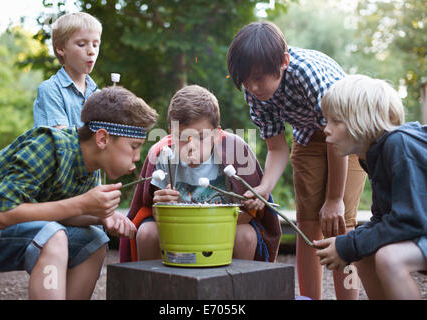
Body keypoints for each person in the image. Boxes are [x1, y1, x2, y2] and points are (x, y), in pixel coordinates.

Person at [227, 21, 366, 299]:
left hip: (349, 135)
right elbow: (277, 148)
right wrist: (264, 188)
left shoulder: (309, 74)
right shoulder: (253, 91)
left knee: (341, 224)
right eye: (245, 79)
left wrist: (334, 199)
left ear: (284, 62)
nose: (252, 87)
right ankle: (309, 298)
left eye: (259, 78)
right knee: (308, 225)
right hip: (307, 139)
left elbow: (337, 137)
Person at [0, 86, 158, 299]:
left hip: (1, 235)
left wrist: (101, 216)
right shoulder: (48, 145)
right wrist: (82, 203)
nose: (137, 157)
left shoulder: (89, 167)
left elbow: (52, 212)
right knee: (53, 236)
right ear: (102, 139)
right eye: (134, 146)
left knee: (94, 241)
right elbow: (6, 214)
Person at [119, 85, 282, 263]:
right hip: (176, 230)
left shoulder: (234, 154)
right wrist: (161, 206)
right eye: (182, 137)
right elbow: (151, 210)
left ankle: (233, 289)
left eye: (201, 137)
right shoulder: (164, 156)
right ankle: (156, 288)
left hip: (221, 231)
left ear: (217, 134)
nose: (191, 146)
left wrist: (253, 202)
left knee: (246, 236)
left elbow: (249, 212)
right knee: (146, 233)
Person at [314, 75, 427, 300]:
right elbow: (382, 218)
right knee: (365, 251)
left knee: (390, 258)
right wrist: (347, 243)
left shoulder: (398, 145)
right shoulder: (374, 156)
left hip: (418, 225)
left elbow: (410, 221)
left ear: (363, 121)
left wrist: (349, 244)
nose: (326, 129)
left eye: (335, 121)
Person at [33, 12, 102, 129]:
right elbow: (63, 140)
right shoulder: (50, 90)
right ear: (60, 48)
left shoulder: (99, 96)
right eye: (81, 44)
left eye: (95, 45)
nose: (91, 51)